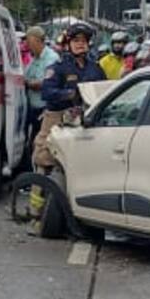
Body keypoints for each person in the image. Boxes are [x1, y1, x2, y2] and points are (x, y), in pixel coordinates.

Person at [31, 23, 104, 211]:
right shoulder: (58, 67)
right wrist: (69, 94)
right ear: (68, 44)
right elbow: (47, 92)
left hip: (87, 120)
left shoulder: (96, 69)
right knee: (44, 160)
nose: (81, 44)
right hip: (57, 119)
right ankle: (36, 212)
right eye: (76, 40)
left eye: (84, 41)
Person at [23, 26, 59, 161]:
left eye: (30, 43)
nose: (28, 46)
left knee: (41, 144)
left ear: (39, 41)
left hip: (45, 109)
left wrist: (29, 83)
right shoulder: (34, 59)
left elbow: (46, 84)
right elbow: (26, 76)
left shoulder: (51, 58)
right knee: (32, 142)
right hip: (32, 108)